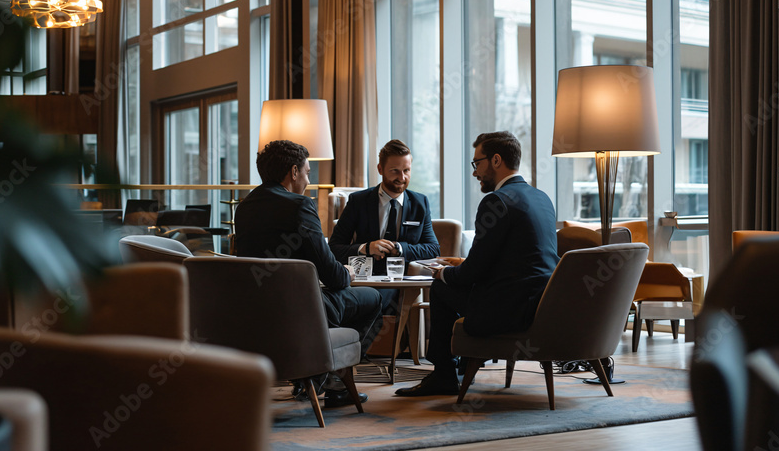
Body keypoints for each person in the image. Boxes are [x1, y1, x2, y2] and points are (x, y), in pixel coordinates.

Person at [395, 131, 558, 397]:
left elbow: (473, 272)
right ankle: (460, 363)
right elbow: (516, 259)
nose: (475, 173)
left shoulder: (496, 201)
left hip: (509, 311)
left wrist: (444, 273)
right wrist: (462, 265)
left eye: (477, 163)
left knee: (441, 289)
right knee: (455, 286)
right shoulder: (541, 198)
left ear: (496, 160)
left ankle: (444, 375)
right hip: (539, 304)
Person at [235, 140, 383, 407]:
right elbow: (332, 273)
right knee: (373, 298)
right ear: (293, 172)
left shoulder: (244, 208)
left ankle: (314, 376)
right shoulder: (300, 206)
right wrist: (347, 273)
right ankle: (333, 381)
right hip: (299, 310)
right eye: (306, 173)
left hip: (254, 314)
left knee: (333, 300)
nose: (306, 180)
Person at [329, 139, 440, 275]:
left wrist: (399, 248)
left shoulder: (420, 203)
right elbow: (334, 247)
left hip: (401, 280)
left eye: (406, 170)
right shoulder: (358, 201)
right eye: (395, 171)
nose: (402, 177)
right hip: (365, 278)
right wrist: (367, 248)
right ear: (380, 169)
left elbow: (433, 249)